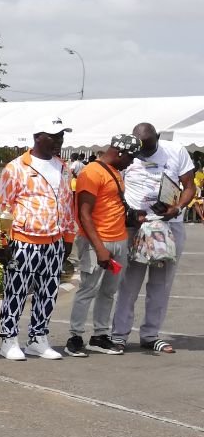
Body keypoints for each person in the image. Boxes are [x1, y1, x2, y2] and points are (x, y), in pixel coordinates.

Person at [0, 121, 77, 361]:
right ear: (38, 136)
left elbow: (67, 204)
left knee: (48, 292)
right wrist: (3, 240)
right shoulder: (16, 167)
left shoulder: (63, 167)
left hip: (54, 240)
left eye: (62, 135)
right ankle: (8, 339)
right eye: (54, 136)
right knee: (16, 292)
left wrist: (68, 237)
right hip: (23, 239)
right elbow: (3, 205)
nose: (60, 140)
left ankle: (38, 339)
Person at [111, 122, 197, 354]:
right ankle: (118, 335)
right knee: (129, 283)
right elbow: (114, 188)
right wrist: (128, 213)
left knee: (161, 284)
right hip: (135, 228)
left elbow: (189, 187)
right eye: (140, 149)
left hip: (169, 227)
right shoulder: (127, 156)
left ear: (158, 137)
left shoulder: (176, 151)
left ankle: (150, 335)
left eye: (148, 148)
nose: (143, 154)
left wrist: (177, 208)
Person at [66, 134, 141, 357]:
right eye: (131, 157)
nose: (132, 162)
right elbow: (84, 214)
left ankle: (99, 336)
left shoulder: (117, 173)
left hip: (119, 239)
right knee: (88, 289)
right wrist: (99, 248)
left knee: (109, 291)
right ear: (119, 152)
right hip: (96, 241)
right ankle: (75, 336)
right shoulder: (91, 173)